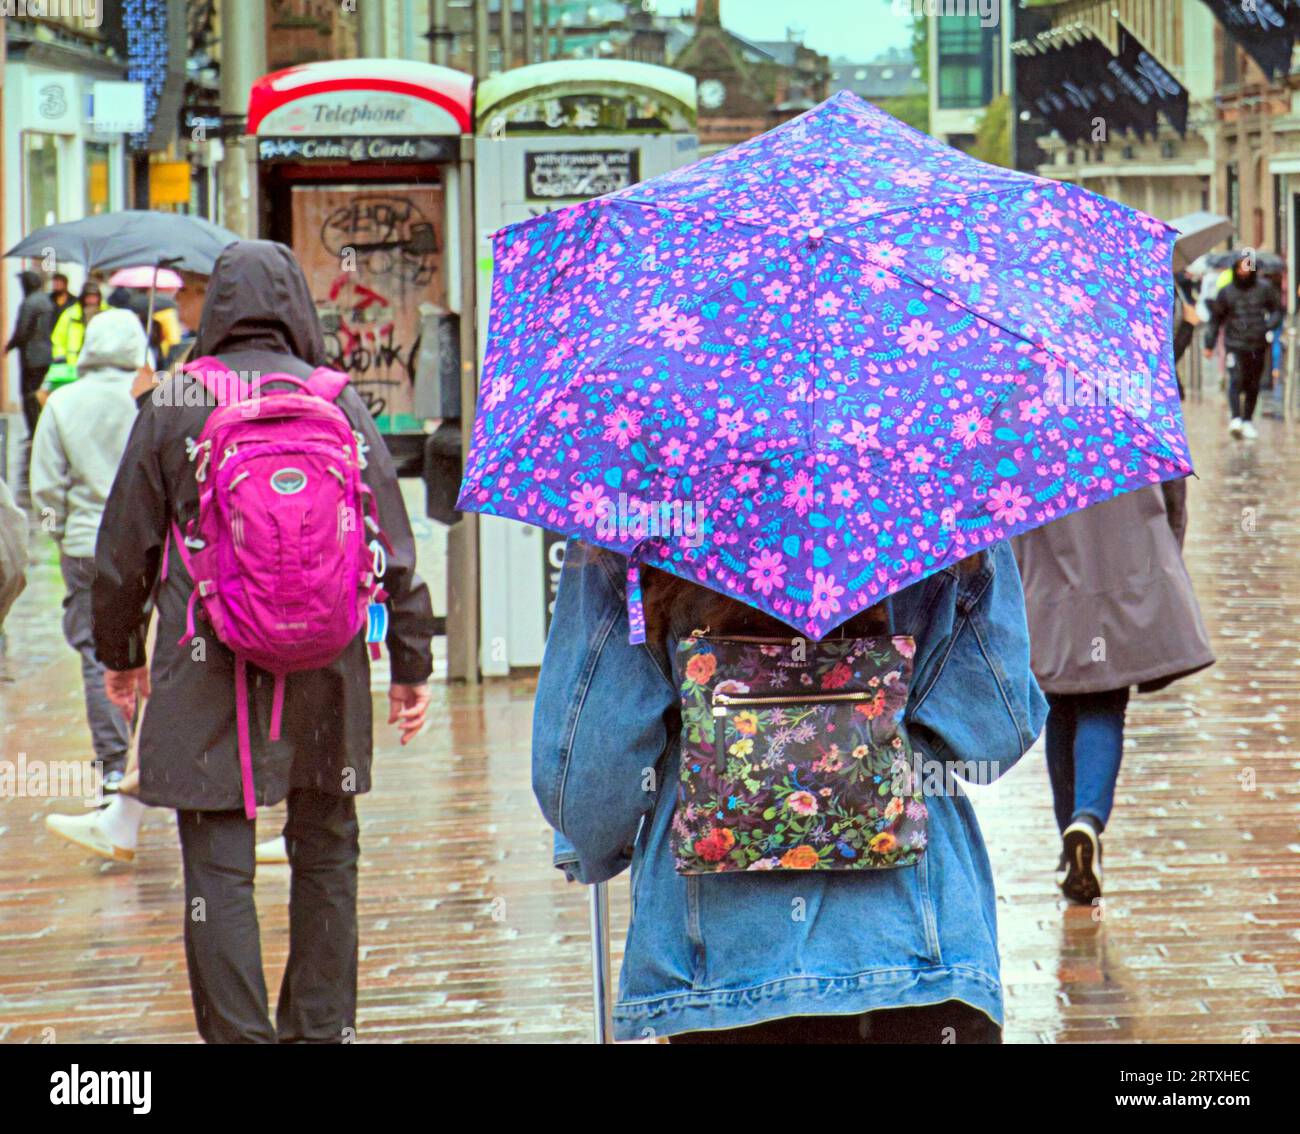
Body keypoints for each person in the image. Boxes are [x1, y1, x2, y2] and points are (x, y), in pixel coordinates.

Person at [91, 241, 437, 1043]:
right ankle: (319, 1031)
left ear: (215, 312)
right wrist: (411, 665)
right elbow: (392, 543)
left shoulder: (176, 397)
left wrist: (121, 656)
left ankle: (240, 1036)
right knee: (327, 853)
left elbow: (123, 553)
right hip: (328, 662)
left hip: (207, 660)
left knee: (218, 868)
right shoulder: (339, 401)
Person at [534, 541, 1046, 1043]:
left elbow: (586, 786)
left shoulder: (635, 518)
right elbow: (995, 731)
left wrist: (595, 852)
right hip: (920, 956)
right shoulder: (937, 502)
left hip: (719, 975)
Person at [1014, 483, 1213, 906]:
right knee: (1104, 703)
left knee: (1060, 703)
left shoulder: (1018, 419)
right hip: (1126, 576)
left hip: (1047, 586)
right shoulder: (1132, 418)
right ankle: (1086, 821)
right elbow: (1174, 497)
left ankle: (1072, 839)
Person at [30, 308, 144, 796]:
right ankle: (149, 758)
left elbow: (46, 491)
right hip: (146, 547)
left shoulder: (61, 403)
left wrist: (63, 536)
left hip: (85, 547)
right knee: (152, 650)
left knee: (98, 656)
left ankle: (115, 765)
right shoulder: (152, 398)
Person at [1203, 252, 1282, 439]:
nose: (1243, 271)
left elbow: (1277, 310)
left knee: (1253, 383)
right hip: (1234, 343)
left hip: (1257, 343)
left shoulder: (1265, 289)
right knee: (1236, 379)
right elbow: (1216, 319)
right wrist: (1209, 343)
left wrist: (1267, 326)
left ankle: (1247, 420)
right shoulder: (1226, 291)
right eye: (1240, 267)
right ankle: (1236, 418)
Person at [5, 269, 55, 438]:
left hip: (31, 356)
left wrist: (8, 347)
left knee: (29, 395)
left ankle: (35, 430)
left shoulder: (29, 303)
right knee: (39, 393)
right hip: (45, 354)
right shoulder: (46, 301)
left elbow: (22, 331)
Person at [47, 282, 102, 392]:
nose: (91, 301)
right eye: (89, 297)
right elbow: (58, 338)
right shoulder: (70, 314)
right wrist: (60, 356)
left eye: (94, 297)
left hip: (99, 365)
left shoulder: (106, 314)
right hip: (74, 366)